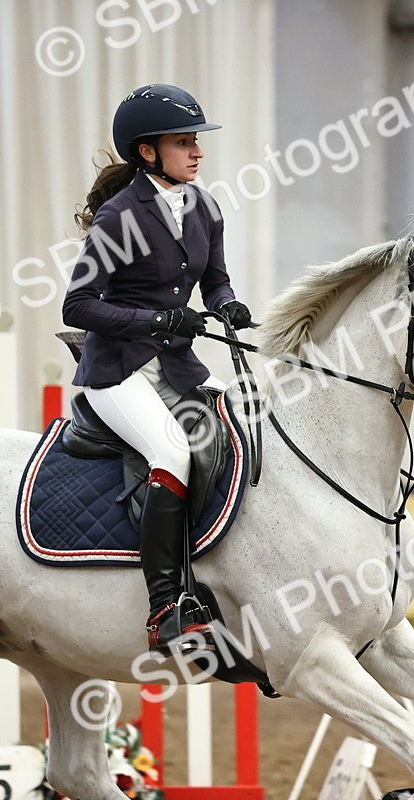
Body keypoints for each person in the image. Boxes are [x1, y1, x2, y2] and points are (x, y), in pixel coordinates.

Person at [62, 84, 253, 654]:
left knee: (246, 424)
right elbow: (78, 306)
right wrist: (157, 319)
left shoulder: (204, 208)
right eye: (183, 143)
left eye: (196, 142)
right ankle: (166, 608)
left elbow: (214, 278)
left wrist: (226, 305)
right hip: (118, 372)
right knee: (171, 451)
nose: (197, 153)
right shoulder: (120, 219)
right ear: (148, 153)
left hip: (174, 366)